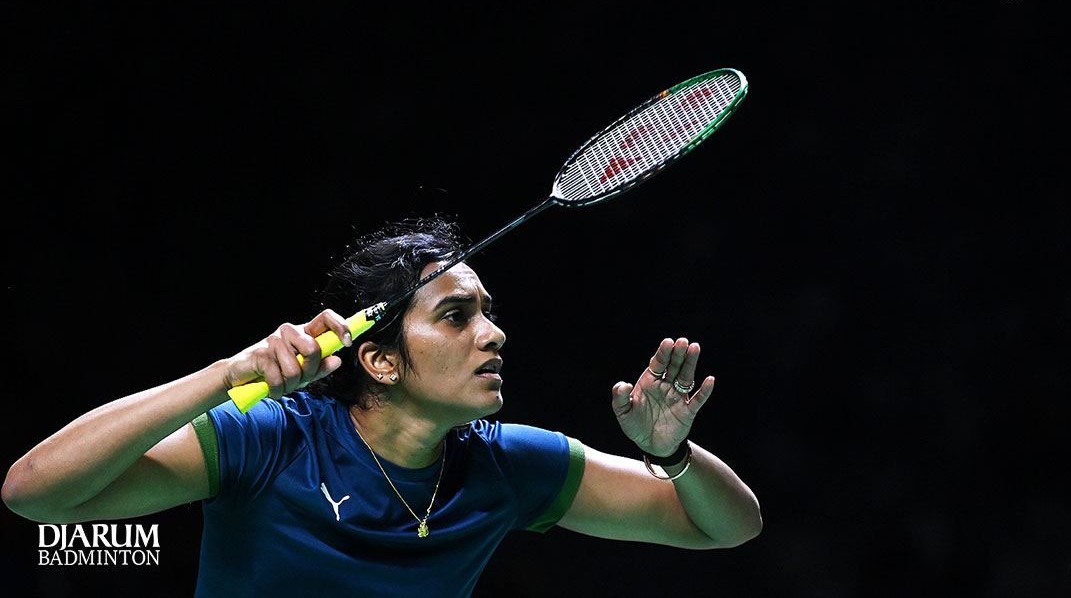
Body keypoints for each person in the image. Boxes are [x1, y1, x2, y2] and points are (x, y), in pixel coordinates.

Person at [3, 217, 761, 596]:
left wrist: (670, 455)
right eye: (457, 316)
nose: (494, 334)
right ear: (381, 360)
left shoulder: (506, 466)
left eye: (488, 312)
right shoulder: (266, 441)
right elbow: (35, 493)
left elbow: (726, 527)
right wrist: (224, 377)